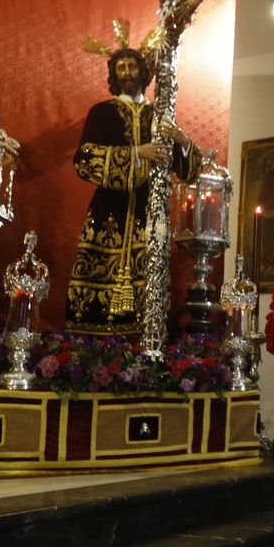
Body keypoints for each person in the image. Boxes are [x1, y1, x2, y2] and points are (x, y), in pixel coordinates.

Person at [65, 47, 197, 336]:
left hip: (148, 213)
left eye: (132, 66)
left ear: (143, 72)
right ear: (114, 74)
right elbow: (85, 159)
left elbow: (188, 171)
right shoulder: (102, 112)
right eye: (121, 67)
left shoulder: (159, 115)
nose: (127, 72)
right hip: (108, 213)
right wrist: (137, 153)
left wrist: (183, 141)